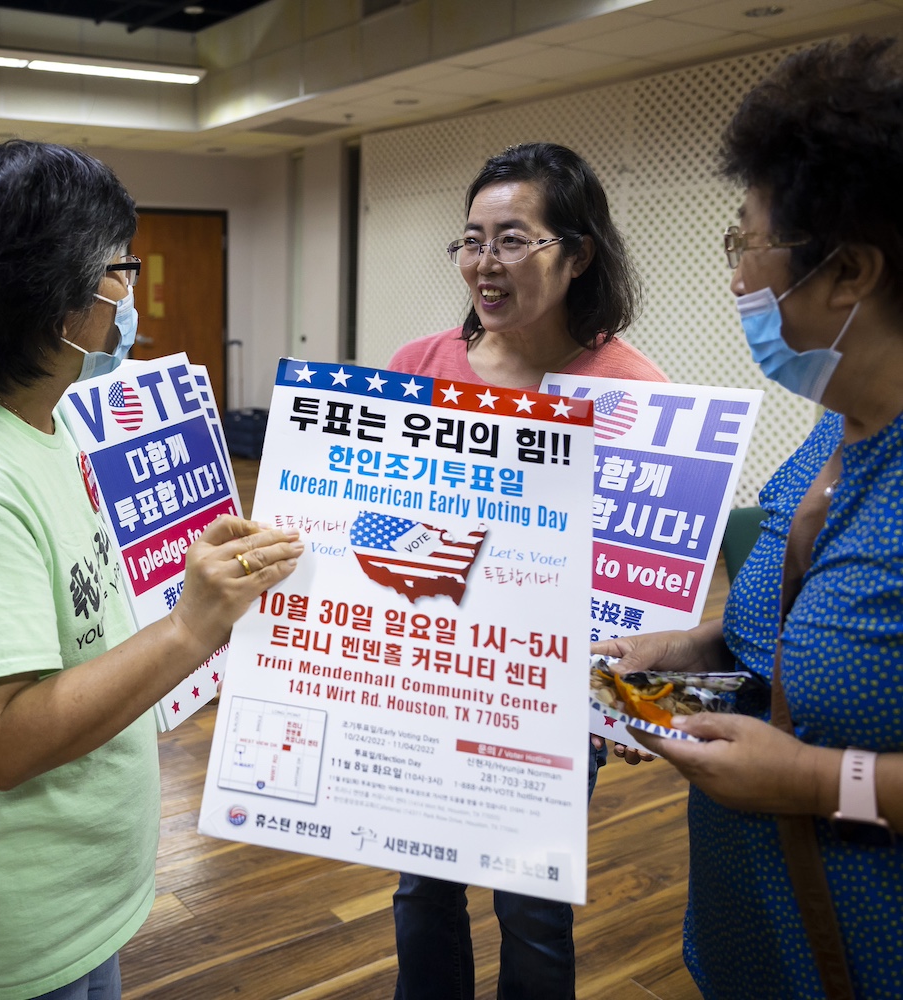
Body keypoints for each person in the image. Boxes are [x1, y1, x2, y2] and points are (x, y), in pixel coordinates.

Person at [0, 140, 302, 1000]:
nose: (127, 294)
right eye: (116, 270)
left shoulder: (39, 419)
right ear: (53, 305)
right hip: (22, 927)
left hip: (73, 890)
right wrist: (190, 629)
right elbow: (1, 741)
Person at [600, 37, 903, 999]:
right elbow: (781, 628)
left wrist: (820, 782)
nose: (736, 279)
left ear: (848, 271)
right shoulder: (828, 439)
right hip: (750, 938)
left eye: (746, 244)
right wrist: (692, 652)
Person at [386, 142, 667, 1000]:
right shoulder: (416, 368)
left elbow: (641, 572)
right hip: (425, 674)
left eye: (513, 240)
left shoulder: (632, 390)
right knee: (420, 888)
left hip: (549, 695)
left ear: (577, 254)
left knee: (534, 907)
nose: (485, 263)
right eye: (472, 240)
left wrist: (632, 704)